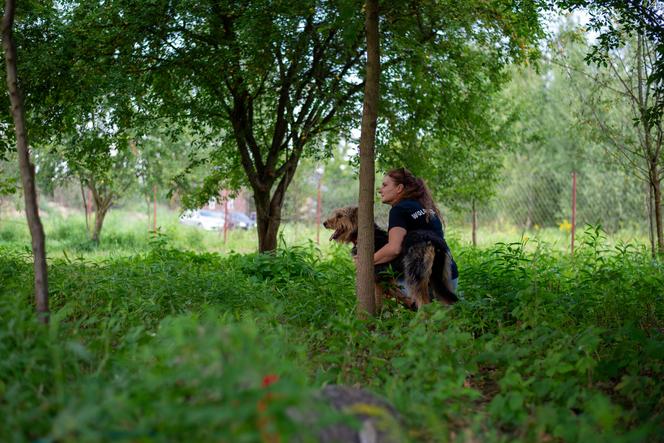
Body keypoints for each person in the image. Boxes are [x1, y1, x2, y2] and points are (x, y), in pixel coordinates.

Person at [374, 167, 458, 306]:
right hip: (450, 278)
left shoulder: (398, 210)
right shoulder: (424, 206)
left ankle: (410, 308)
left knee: (378, 275)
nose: (380, 190)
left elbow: (393, 248)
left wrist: (366, 261)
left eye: (384, 185)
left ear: (399, 188)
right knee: (441, 320)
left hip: (426, 282)